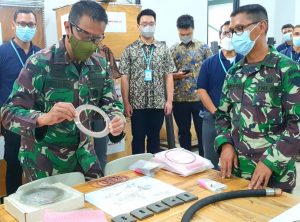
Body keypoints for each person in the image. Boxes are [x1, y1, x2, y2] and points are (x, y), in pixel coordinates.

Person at [1, 0, 125, 182]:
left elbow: (111, 105)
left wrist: (117, 120)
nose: (91, 45)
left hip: (85, 159)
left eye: (97, 39)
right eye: (85, 35)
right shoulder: (40, 63)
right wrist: (43, 118)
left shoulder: (99, 65)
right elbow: (8, 114)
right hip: (45, 164)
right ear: (68, 27)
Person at [215, 4, 300, 192]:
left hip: (274, 176)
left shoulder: (287, 69)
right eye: (231, 31)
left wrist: (271, 162)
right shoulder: (234, 73)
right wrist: (225, 145)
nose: (234, 36)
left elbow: (297, 123)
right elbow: (222, 116)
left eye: (239, 29)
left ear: (261, 27)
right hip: (236, 174)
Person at [119, 9, 175, 154]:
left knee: (154, 139)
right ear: (138, 26)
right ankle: (136, 171)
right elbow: (124, 77)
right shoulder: (129, 50)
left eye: (151, 23)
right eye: (144, 24)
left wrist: (169, 101)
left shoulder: (164, 49)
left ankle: (153, 172)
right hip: (137, 105)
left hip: (158, 104)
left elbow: (169, 75)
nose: (148, 27)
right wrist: (126, 103)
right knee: (137, 138)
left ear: (155, 24)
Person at [0, 9, 40, 195]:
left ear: (36, 27)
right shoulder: (3, 53)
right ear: (13, 25)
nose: (26, 28)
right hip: (12, 121)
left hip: (38, 121)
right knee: (14, 164)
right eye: (22, 24)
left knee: (39, 164)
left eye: (31, 25)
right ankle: (13, 206)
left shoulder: (41, 54)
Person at [197, 21, 243, 169]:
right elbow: (201, 90)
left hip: (240, 119)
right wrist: (216, 112)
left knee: (238, 161)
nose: (228, 36)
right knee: (211, 160)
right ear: (220, 36)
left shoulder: (245, 61)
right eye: (225, 33)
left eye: (232, 33)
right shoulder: (209, 63)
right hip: (213, 118)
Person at [170, 15, 212, 156]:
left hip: (200, 99)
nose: (185, 36)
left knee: (202, 133)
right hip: (179, 99)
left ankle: (205, 162)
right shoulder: (173, 49)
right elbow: (167, 75)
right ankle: (186, 160)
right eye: (182, 34)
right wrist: (177, 75)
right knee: (183, 133)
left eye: (188, 33)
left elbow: (210, 72)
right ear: (177, 31)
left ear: (193, 29)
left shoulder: (203, 48)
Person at [93, 44, 123, 170]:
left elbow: (115, 77)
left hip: (101, 114)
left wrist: (118, 115)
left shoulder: (105, 52)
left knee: (101, 155)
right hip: (79, 116)